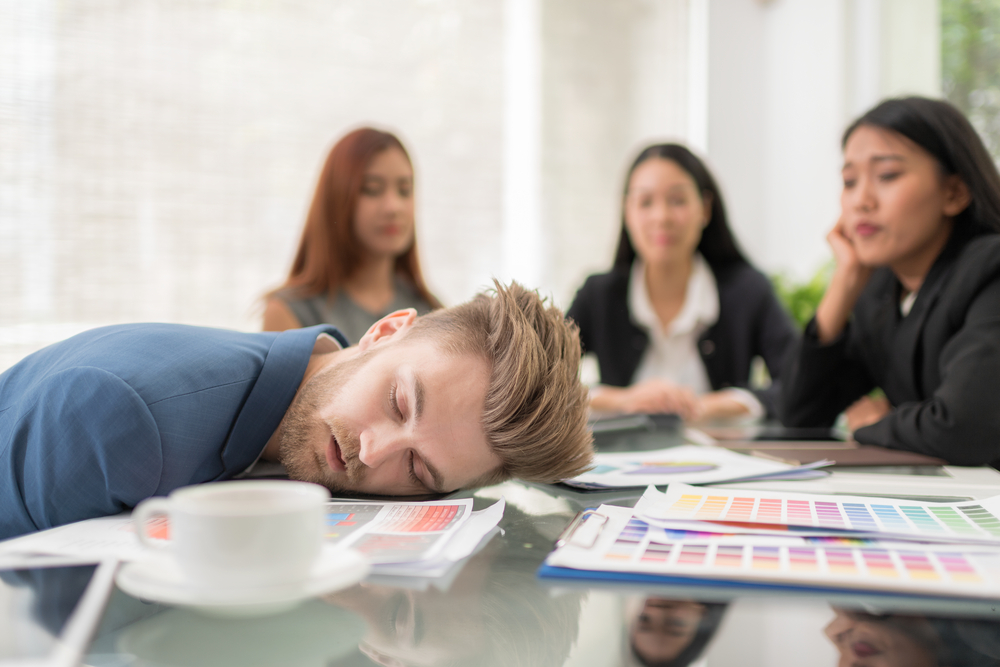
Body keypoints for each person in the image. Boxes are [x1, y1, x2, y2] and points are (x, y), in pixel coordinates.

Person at [0, 281, 593, 541]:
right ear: (385, 330)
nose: (372, 451)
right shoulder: (124, 422)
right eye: (398, 402)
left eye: (418, 472)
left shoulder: (298, 391)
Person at [780, 97, 1000, 466]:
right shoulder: (882, 291)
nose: (861, 201)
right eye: (849, 181)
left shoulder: (990, 268)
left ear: (954, 192)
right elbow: (800, 416)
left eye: (887, 176)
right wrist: (846, 280)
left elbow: (963, 429)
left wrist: (877, 423)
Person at [566, 143, 797, 422]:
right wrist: (625, 400)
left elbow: (797, 385)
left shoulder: (749, 291)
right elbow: (539, 385)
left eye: (677, 200)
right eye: (645, 202)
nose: (661, 217)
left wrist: (708, 406)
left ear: (705, 208)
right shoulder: (598, 295)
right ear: (627, 211)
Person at [262, 127, 441, 343]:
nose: (394, 207)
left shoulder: (432, 313)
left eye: (404, 190)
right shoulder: (289, 313)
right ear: (337, 198)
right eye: (372, 189)